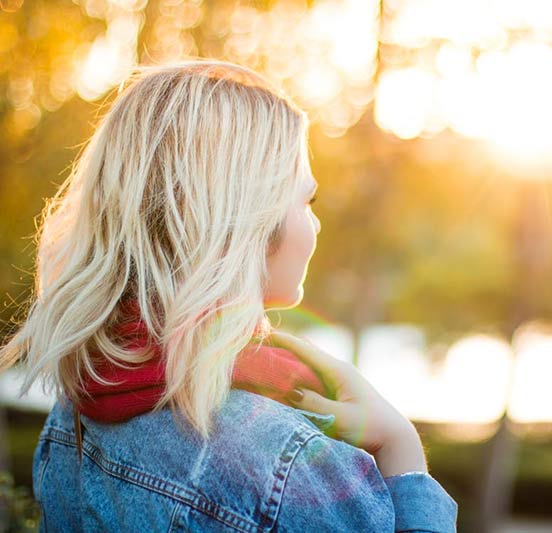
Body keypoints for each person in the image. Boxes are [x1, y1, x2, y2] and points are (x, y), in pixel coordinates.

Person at [0, 59, 457, 532]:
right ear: (247, 220)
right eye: (306, 202)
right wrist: (400, 447)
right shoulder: (289, 466)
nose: (314, 223)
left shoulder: (80, 399)